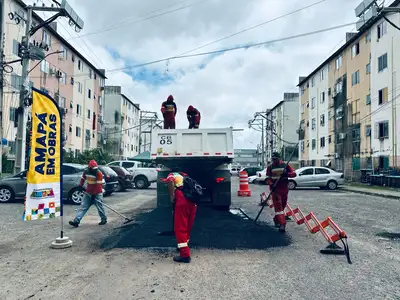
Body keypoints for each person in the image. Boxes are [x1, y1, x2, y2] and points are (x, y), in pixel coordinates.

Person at [161, 172, 197, 263]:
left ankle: (185, 255)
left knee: (180, 227)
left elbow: (170, 181)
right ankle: (184, 245)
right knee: (188, 226)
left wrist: (172, 197)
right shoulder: (184, 175)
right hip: (192, 202)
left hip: (182, 201)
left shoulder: (171, 175)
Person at [69, 160, 107, 227]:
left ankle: (104, 219)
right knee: (83, 207)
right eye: (93, 168)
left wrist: (94, 194)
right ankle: (76, 221)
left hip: (97, 193)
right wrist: (80, 186)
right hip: (88, 193)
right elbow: (83, 179)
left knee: (99, 207)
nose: (95, 169)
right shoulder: (86, 172)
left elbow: (98, 186)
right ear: (89, 167)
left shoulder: (99, 173)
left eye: (96, 168)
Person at [264, 152, 296, 233]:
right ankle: (282, 224)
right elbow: (267, 178)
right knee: (278, 207)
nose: (274, 160)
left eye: (275, 159)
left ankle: (276, 219)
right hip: (275, 189)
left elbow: (294, 174)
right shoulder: (270, 167)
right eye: (273, 159)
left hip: (284, 188)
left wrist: (286, 174)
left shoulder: (285, 165)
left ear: (279, 158)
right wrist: (271, 184)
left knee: (283, 205)